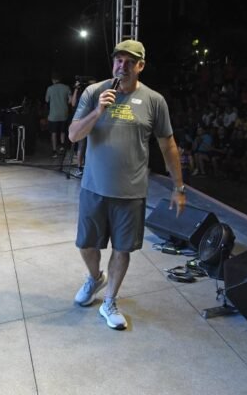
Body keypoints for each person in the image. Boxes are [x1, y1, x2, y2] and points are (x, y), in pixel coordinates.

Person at [68, 40, 186, 330]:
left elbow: (168, 145)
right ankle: (94, 278)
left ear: (140, 66)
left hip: (130, 193)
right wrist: (98, 111)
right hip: (94, 189)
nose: (122, 66)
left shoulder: (154, 101)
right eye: (118, 60)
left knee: (122, 250)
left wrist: (178, 187)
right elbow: (73, 135)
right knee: (86, 244)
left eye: (129, 62)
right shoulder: (93, 93)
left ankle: (109, 301)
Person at [45, 76, 71, 158]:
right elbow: (70, 101)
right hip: (64, 114)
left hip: (53, 115)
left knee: (54, 133)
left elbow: (46, 100)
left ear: (53, 80)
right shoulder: (66, 88)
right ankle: (62, 147)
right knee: (63, 132)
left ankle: (54, 151)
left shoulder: (50, 88)